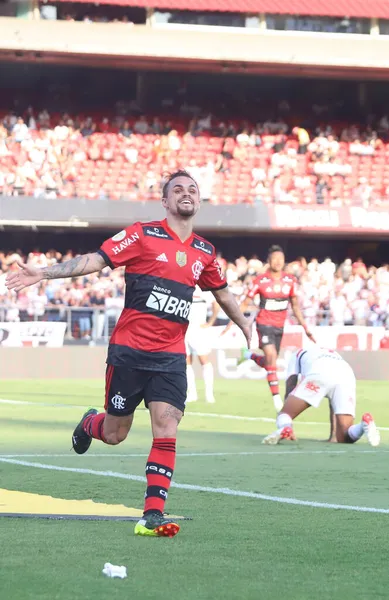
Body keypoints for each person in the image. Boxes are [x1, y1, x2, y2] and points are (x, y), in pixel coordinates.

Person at [6, 170, 251, 538]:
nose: (186, 194)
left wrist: (247, 325)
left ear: (198, 202)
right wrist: (43, 273)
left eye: (192, 190)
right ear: (165, 202)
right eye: (178, 190)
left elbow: (223, 292)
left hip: (170, 357)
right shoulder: (143, 235)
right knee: (116, 432)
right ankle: (92, 422)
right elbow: (95, 259)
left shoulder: (204, 251)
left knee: (167, 426)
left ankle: (152, 514)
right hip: (129, 352)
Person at [235, 245, 314, 412]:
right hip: (264, 324)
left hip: (280, 326)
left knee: (270, 362)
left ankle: (248, 355)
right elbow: (244, 303)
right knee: (271, 356)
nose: (278, 262)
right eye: (274, 259)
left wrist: (305, 327)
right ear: (269, 261)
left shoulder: (290, 281)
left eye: (281, 258)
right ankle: (277, 400)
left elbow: (295, 306)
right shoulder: (260, 281)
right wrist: (234, 322)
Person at [262, 346, 380, 446]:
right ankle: (364, 423)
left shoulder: (296, 354)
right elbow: (334, 401)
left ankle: (285, 428)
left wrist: (287, 409)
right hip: (347, 375)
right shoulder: (332, 353)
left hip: (320, 372)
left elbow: (291, 382)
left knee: (285, 414)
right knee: (343, 436)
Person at [185, 285, 219, 404]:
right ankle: (192, 393)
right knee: (186, 361)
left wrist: (210, 322)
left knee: (204, 360)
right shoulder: (183, 285)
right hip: (183, 328)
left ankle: (209, 394)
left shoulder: (204, 288)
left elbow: (216, 303)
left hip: (199, 329)